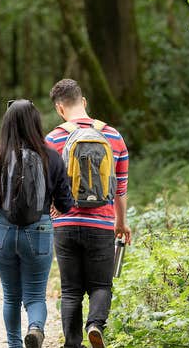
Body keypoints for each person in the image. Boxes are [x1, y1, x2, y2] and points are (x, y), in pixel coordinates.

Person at [0, 99, 74, 348]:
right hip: (39, 229)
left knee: (11, 296)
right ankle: (35, 328)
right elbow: (65, 204)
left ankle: (14, 345)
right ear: (36, 123)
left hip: (2, 230)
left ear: (6, 125)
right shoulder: (51, 157)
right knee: (35, 296)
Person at [45, 79, 132, 348]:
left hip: (65, 222)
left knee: (70, 290)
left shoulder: (52, 140)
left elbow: (46, 186)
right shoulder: (113, 136)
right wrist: (121, 223)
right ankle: (95, 324)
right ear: (84, 102)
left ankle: (73, 343)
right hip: (102, 223)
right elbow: (120, 187)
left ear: (60, 108)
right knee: (101, 286)